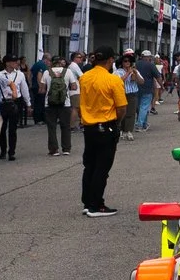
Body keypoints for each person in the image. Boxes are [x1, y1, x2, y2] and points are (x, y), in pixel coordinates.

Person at [77, 50, 127, 218]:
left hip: (89, 126)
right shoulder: (113, 79)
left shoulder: (84, 77)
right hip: (106, 125)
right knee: (102, 167)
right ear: (110, 60)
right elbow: (121, 107)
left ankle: (87, 202)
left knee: (89, 165)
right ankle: (96, 205)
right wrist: (117, 122)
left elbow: (81, 102)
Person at [44, 51, 79, 155]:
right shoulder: (67, 72)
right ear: (60, 62)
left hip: (49, 103)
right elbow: (74, 86)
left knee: (52, 127)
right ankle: (66, 149)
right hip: (65, 103)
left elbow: (41, 89)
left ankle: (54, 150)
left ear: (52, 63)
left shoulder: (47, 72)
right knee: (66, 126)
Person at [0, 57, 28, 160]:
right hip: (3, 101)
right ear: (7, 63)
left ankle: (12, 152)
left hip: (15, 101)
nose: (16, 63)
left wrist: (28, 103)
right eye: (14, 61)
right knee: (2, 128)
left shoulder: (20, 74)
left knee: (13, 129)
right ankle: (3, 150)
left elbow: (24, 88)